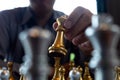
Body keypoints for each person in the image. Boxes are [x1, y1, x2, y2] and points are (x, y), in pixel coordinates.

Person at [0, 0, 93, 79]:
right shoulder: (5, 19)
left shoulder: (71, 25)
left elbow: (82, 68)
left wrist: (93, 48)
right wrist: (46, 71)